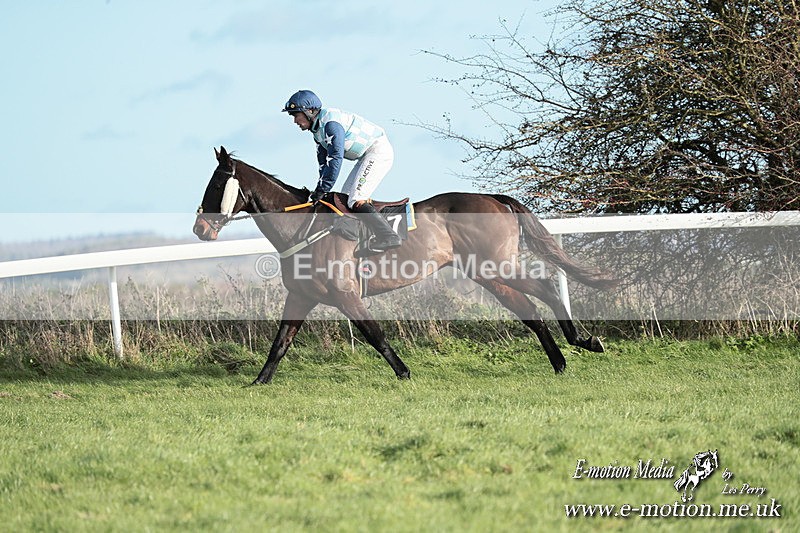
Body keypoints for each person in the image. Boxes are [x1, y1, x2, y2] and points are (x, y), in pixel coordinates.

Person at [282, 89, 402, 253]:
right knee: (345, 200)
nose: (295, 121)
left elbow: (335, 158)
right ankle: (361, 238)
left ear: (309, 111)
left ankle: (388, 236)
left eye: (296, 115)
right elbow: (323, 164)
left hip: (378, 151)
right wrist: (320, 189)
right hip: (365, 156)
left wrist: (323, 189)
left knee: (356, 199)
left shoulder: (330, 124)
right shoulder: (317, 131)